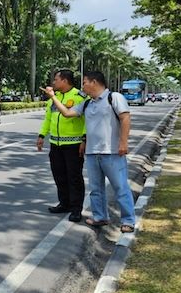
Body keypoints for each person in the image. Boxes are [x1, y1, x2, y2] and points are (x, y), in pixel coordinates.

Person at [40, 71, 136, 233]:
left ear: (94, 82)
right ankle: (100, 217)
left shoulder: (114, 98)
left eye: (84, 82)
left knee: (120, 187)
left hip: (111, 152)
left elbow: (125, 118)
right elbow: (67, 113)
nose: (82, 85)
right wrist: (53, 96)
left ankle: (128, 220)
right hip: (92, 153)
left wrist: (123, 143)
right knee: (96, 188)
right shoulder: (87, 104)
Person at [37, 69, 87, 222]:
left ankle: (76, 209)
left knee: (74, 177)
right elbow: (48, 119)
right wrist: (41, 135)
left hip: (73, 144)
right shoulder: (54, 98)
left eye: (56, 80)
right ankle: (64, 203)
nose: (53, 83)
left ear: (65, 81)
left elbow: (87, 119)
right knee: (59, 175)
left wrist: (84, 139)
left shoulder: (79, 97)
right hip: (55, 144)